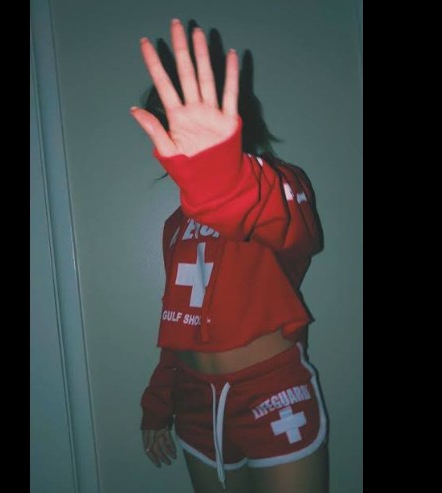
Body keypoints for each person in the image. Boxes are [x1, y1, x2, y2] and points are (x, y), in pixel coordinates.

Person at [130, 18, 329, 493]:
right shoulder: (175, 226)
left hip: (272, 393)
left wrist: (222, 179)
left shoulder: (281, 185)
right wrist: (158, 402)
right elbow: (178, 323)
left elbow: (294, 230)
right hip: (194, 402)